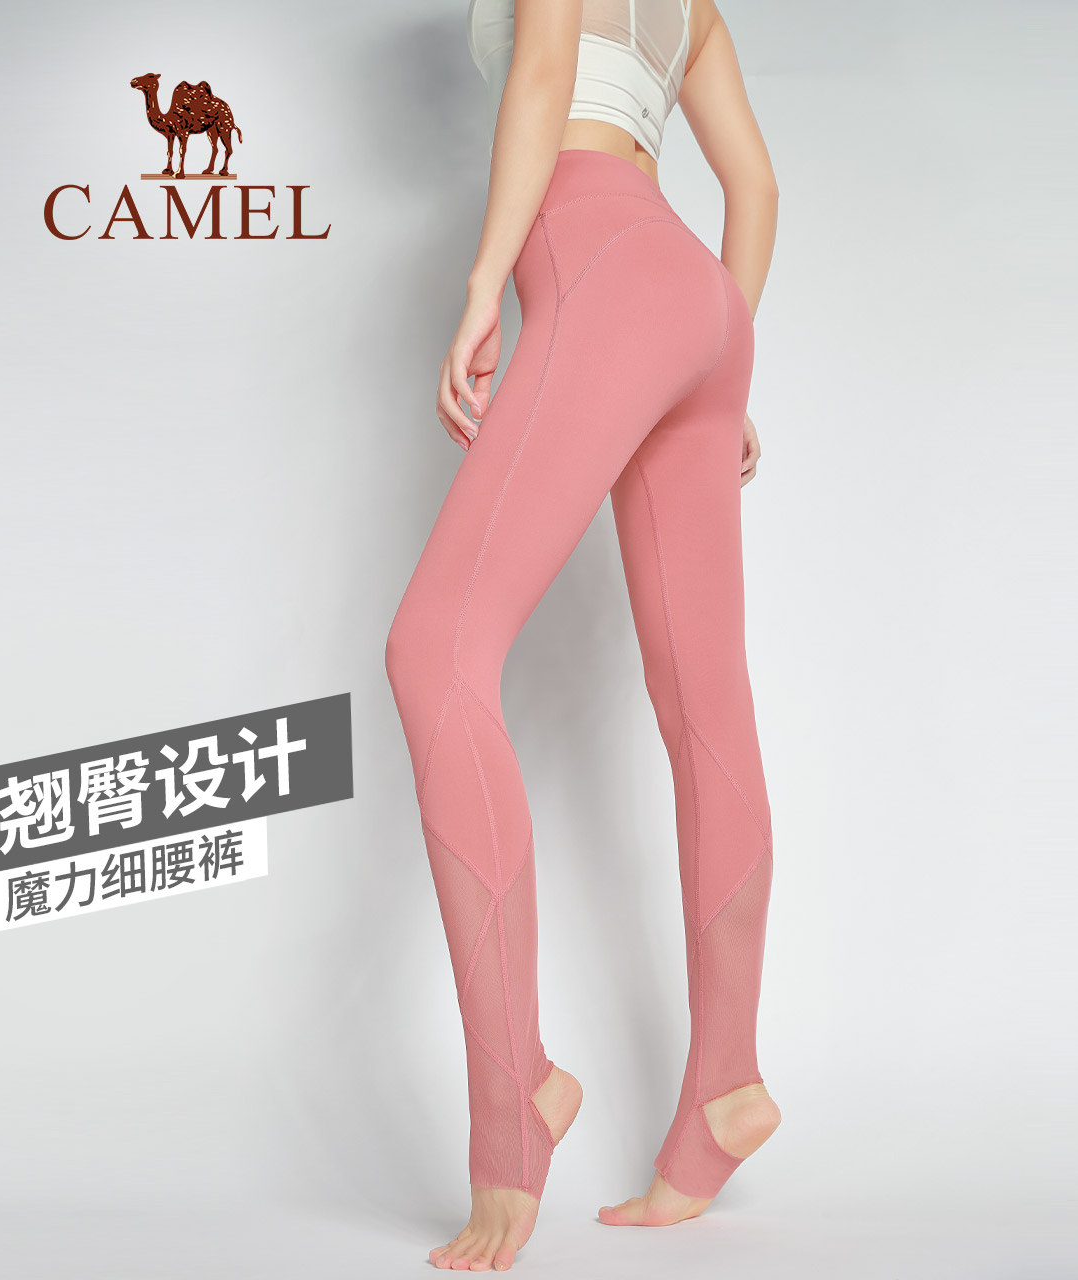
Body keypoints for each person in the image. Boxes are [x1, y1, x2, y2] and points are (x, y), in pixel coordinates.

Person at [385, 0, 781, 1269]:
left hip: (603, 260)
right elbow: (754, 185)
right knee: (706, 704)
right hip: (699, 295)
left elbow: (546, 67)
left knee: (433, 651)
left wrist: (483, 284)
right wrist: (724, 352)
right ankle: (724, 1087)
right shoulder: (695, 12)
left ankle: (516, 1112)